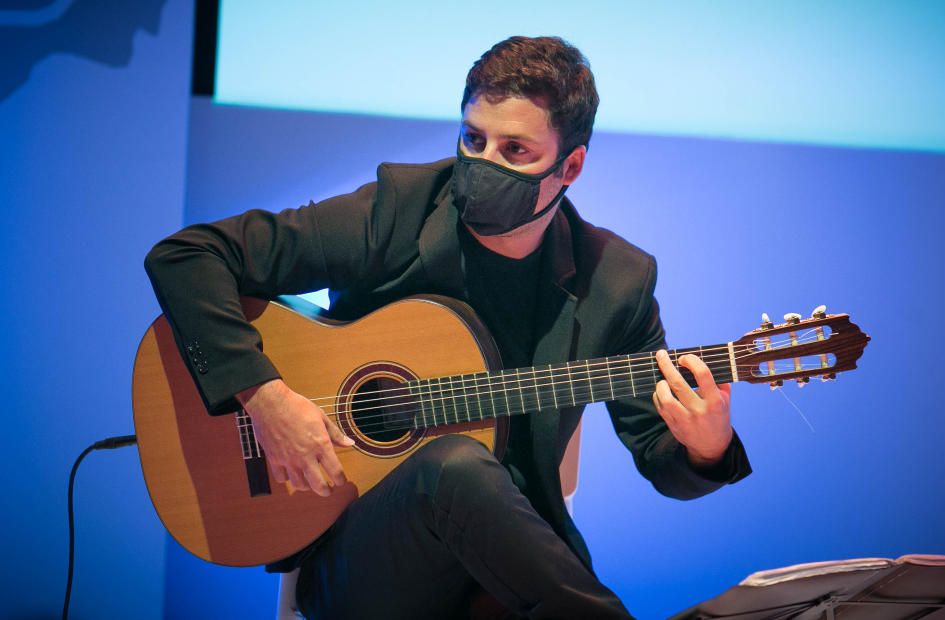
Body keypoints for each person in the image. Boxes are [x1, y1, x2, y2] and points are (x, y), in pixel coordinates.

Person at [145, 36, 751, 619]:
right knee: (453, 464)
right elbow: (187, 257)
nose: (484, 164)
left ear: (570, 167)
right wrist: (265, 397)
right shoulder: (398, 211)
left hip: (511, 576)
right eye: (473, 138)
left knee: (467, 478)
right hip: (362, 566)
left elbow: (661, 459)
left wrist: (706, 447)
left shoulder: (616, 280)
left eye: (515, 151)